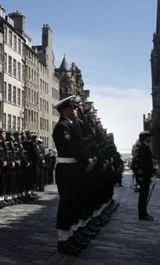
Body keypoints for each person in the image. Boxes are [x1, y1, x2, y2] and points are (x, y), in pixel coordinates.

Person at [52, 96, 89, 256]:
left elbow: (82, 141)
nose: (76, 110)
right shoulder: (62, 127)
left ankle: (70, 236)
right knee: (66, 204)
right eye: (73, 108)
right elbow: (73, 146)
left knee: (73, 203)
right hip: (66, 168)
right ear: (66, 110)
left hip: (73, 167)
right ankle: (63, 240)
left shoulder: (72, 125)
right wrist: (86, 161)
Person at [134, 131, 154, 221]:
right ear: (145, 137)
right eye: (149, 136)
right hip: (144, 176)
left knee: (144, 195)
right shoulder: (143, 147)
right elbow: (142, 163)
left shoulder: (145, 146)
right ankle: (142, 214)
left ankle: (144, 213)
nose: (150, 138)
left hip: (146, 175)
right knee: (143, 195)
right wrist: (141, 176)